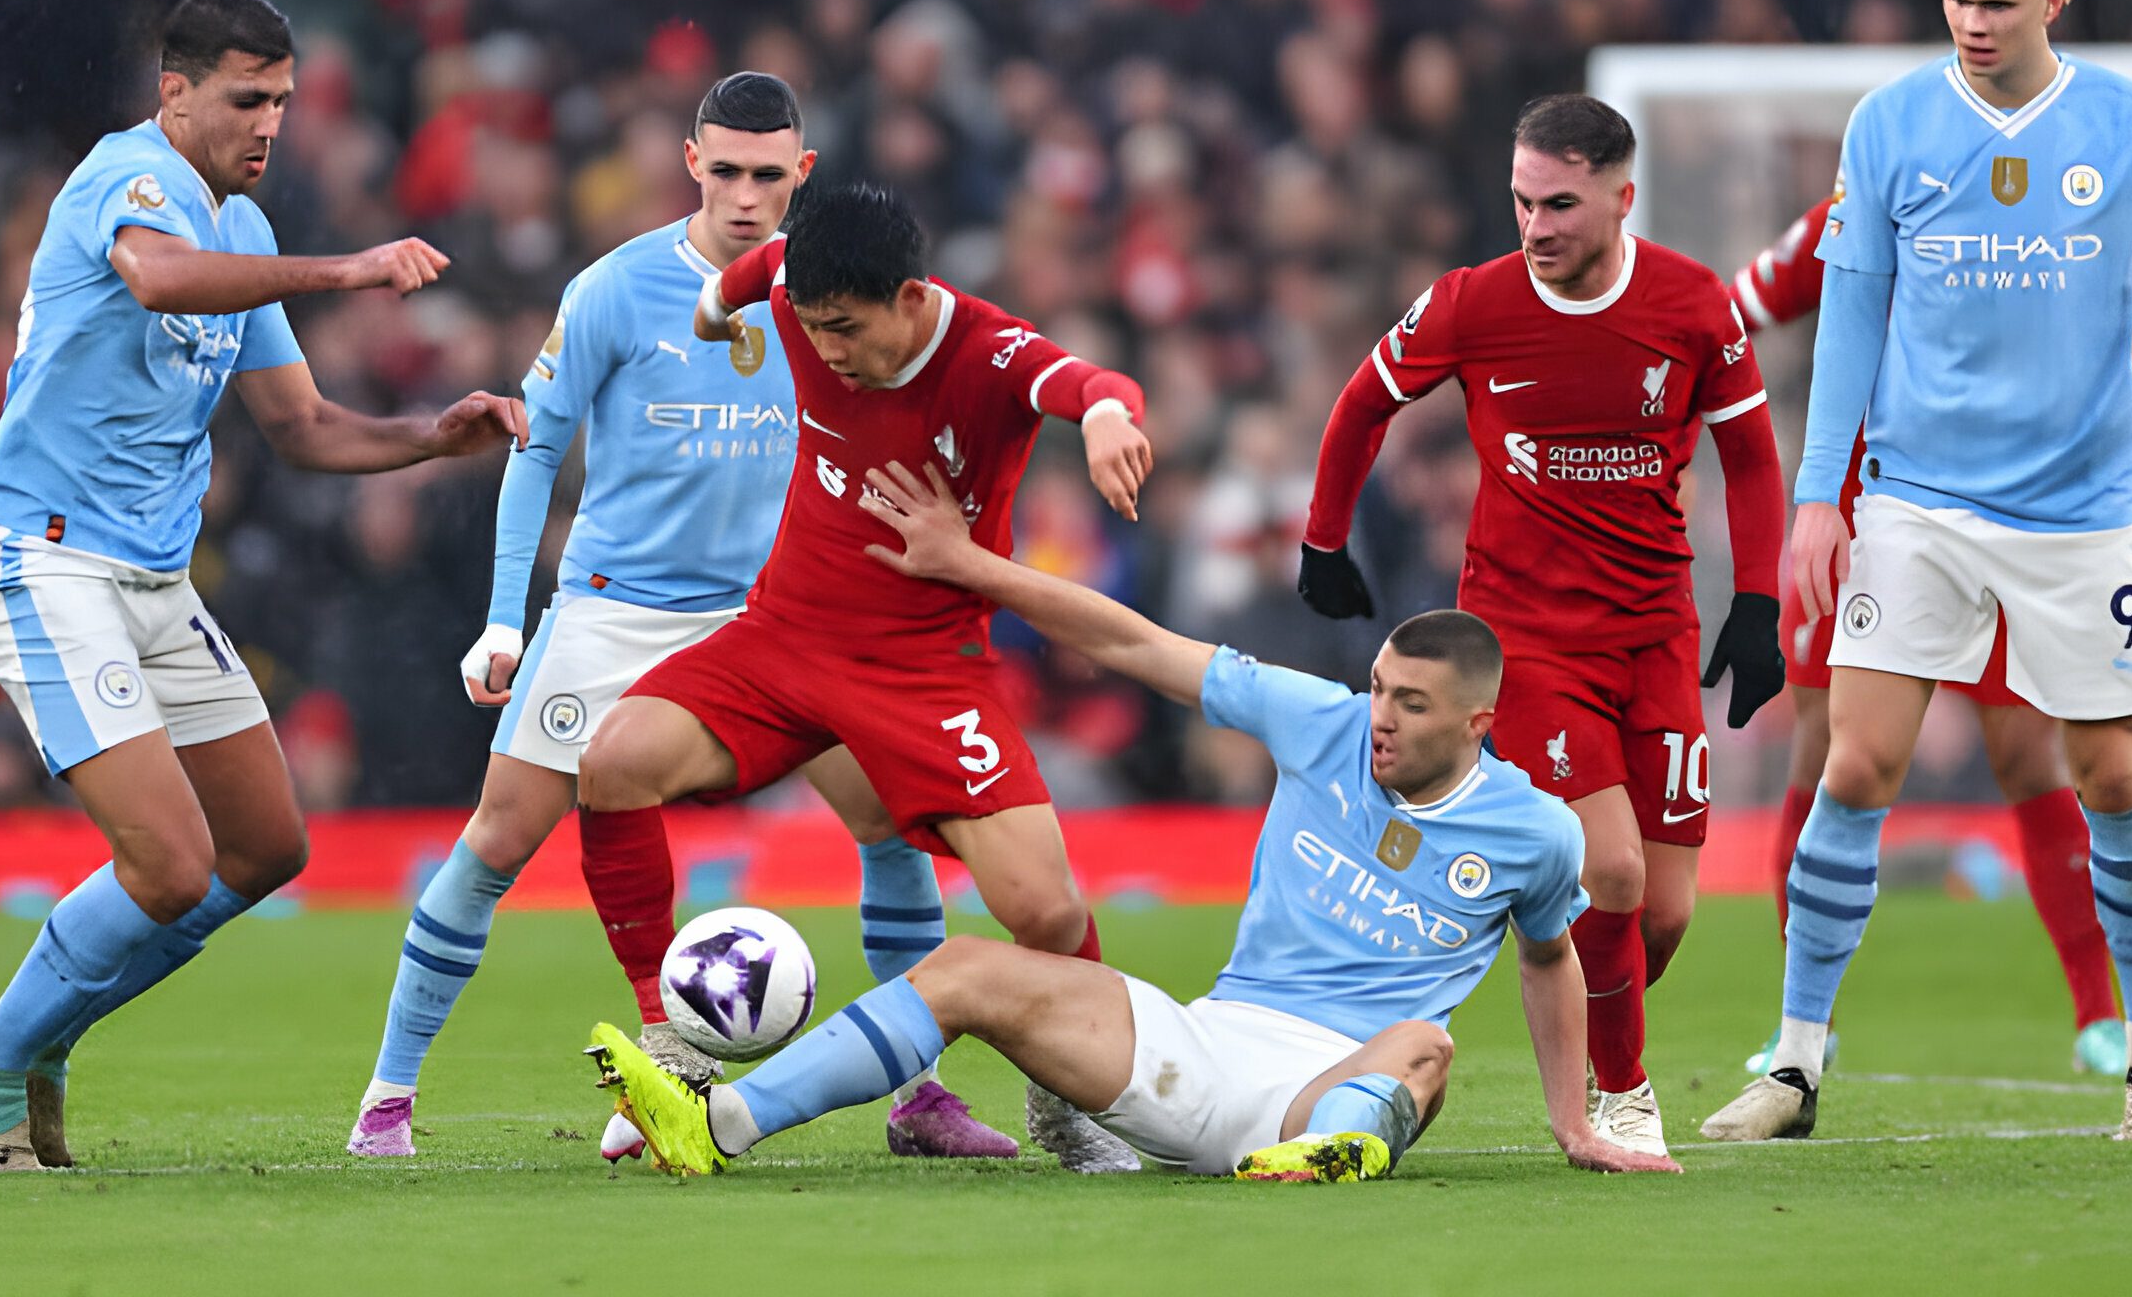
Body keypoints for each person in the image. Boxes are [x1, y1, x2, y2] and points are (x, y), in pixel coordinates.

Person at [579, 459, 1677, 1181]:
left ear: (1481, 720)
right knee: (967, 968)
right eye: (1381, 687)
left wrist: (1576, 1121)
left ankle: (1328, 1153)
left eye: (1410, 704)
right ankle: (716, 1123)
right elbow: (1139, 644)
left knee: (1424, 1042)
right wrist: (973, 567)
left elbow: (1551, 960)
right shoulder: (1322, 722)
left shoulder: (1535, 834)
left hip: (1329, 1085)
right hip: (1202, 1049)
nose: (1377, 715)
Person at [344, 73, 1014, 1163]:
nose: (747, 196)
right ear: (692, 164)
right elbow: (536, 446)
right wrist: (506, 619)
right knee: (497, 844)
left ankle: (919, 1098)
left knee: (893, 829)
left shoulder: (831, 296)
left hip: (778, 616)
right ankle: (387, 1100)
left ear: (802, 175)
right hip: (620, 610)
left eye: (770, 175)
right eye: (728, 171)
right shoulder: (614, 289)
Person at [0, 0, 527, 1170]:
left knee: (266, 849)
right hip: (44, 561)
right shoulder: (124, 179)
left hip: (153, 585)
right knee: (169, 860)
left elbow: (301, 429)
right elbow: (155, 278)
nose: (270, 124)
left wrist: (428, 437)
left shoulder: (245, 231)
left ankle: (33, 1032)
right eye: (246, 99)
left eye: (284, 102)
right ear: (176, 93)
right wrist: (349, 271)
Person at [1702, 0, 2132, 1145]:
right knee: (1856, 765)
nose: (1971, 25)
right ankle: (1795, 1066)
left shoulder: (2129, 125)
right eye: (1954, 0)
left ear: (2055, 0)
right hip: (1917, 508)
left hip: (2077, 515)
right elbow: (1850, 321)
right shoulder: (1890, 123)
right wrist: (1822, 497)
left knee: (2109, 775)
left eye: (1996, 4)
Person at [574, 177, 1157, 1171]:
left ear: (913, 300)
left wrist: (1108, 421)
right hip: (786, 636)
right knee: (613, 763)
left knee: (1048, 913)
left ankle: (1069, 1096)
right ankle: (671, 1052)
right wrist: (718, 308)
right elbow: (755, 269)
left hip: (925, 666)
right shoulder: (802, 288)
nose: (827, 350)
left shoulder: (984, 351)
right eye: (812, 326)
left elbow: (1089, 384)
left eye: (845, 329)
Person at [1297, 93, 1788, 1158]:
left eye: (1559, 204)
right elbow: (1361, 404)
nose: (1536, 227)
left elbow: (1749, 456)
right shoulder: (1474, 304)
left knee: (1660, 913)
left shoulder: (1694, 305)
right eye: (1522, 203)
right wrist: (1325, 540)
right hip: (1528, 639)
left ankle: (1545, 974)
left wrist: (1758, 601)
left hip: (1655, 630)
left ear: (1622, 195)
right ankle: (1620, 1093)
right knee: (1609, 870)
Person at [1730, 196, 2125, 1080]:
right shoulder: (1846, 215)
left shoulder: (2020, 229)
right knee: (1829, 752)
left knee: (2027, 752)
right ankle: (1805, 1027)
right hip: (1860, 514)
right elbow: (1733, 311)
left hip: (1999, 512)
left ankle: (2099, 1015)